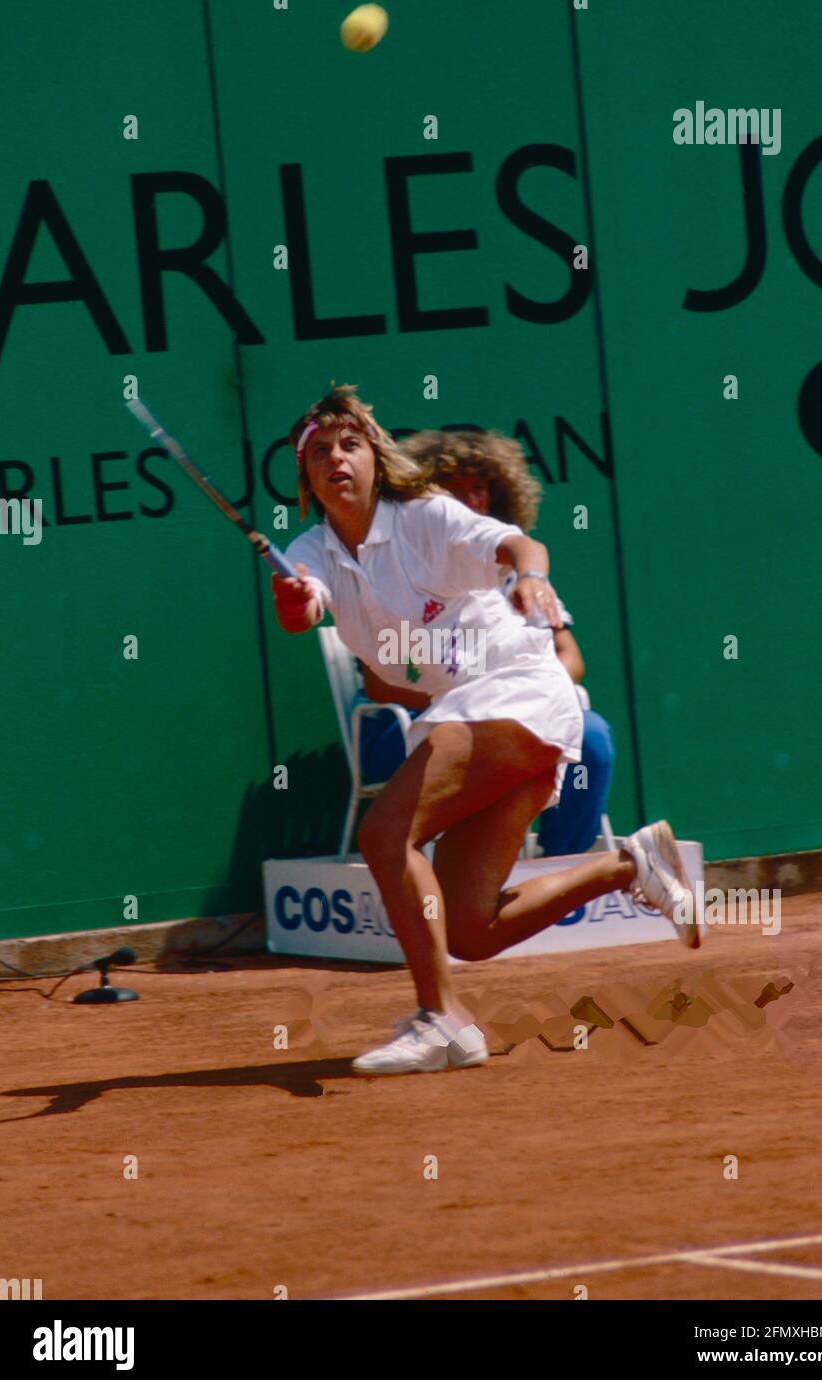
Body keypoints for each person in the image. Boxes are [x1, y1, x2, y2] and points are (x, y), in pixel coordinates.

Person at [272, 386, 700, 1077]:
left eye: (349, 443)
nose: (335, 458)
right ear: (307, 478)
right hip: (471, 709)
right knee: (470, 927)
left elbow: (519, 543)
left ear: (376, 459)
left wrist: (529, 579)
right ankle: (629, 864)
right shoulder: (309, 550)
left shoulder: (425, 515)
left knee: (384, 834)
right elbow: (304, 605)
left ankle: (442, 1021)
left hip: (517, 690)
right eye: (319, 451)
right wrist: (295, 602)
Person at [400, 428, 614, 856]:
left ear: (496, 495)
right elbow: (386, 680)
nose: (468, 501)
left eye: (477, 489)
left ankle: (561, 869)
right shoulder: (409, 573)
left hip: (519, 706)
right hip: (438, 715)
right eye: (452, 492)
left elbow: (570, 656)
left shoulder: (514, 566)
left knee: (591, 736)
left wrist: (528, 686)